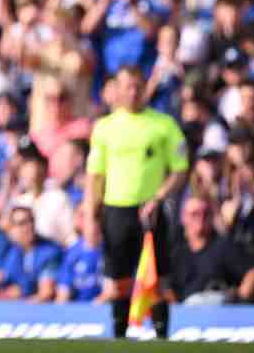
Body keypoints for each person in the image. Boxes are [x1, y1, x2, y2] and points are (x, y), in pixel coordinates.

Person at [84, 66, 188, 339]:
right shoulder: (104, 128)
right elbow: (95, 176)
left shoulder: (164, 125)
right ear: (116, 90)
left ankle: (161, 336)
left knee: (158, 278)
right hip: (116, 210)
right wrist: (90, 217)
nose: (132, 92)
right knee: (118, 280)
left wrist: (159, 197)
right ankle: (119, 334)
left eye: (137, 86)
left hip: (151, 210)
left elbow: (179, 168)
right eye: (126, 86)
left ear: (145, 88)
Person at [169, 195, 254, 304]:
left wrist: (238, 301)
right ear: (184, 218)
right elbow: (169, 291)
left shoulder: (224, 246)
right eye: (195, 214)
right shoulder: (178, 255)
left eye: (206, 214)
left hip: (220, 314)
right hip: (187, 315)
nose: (201, 218)